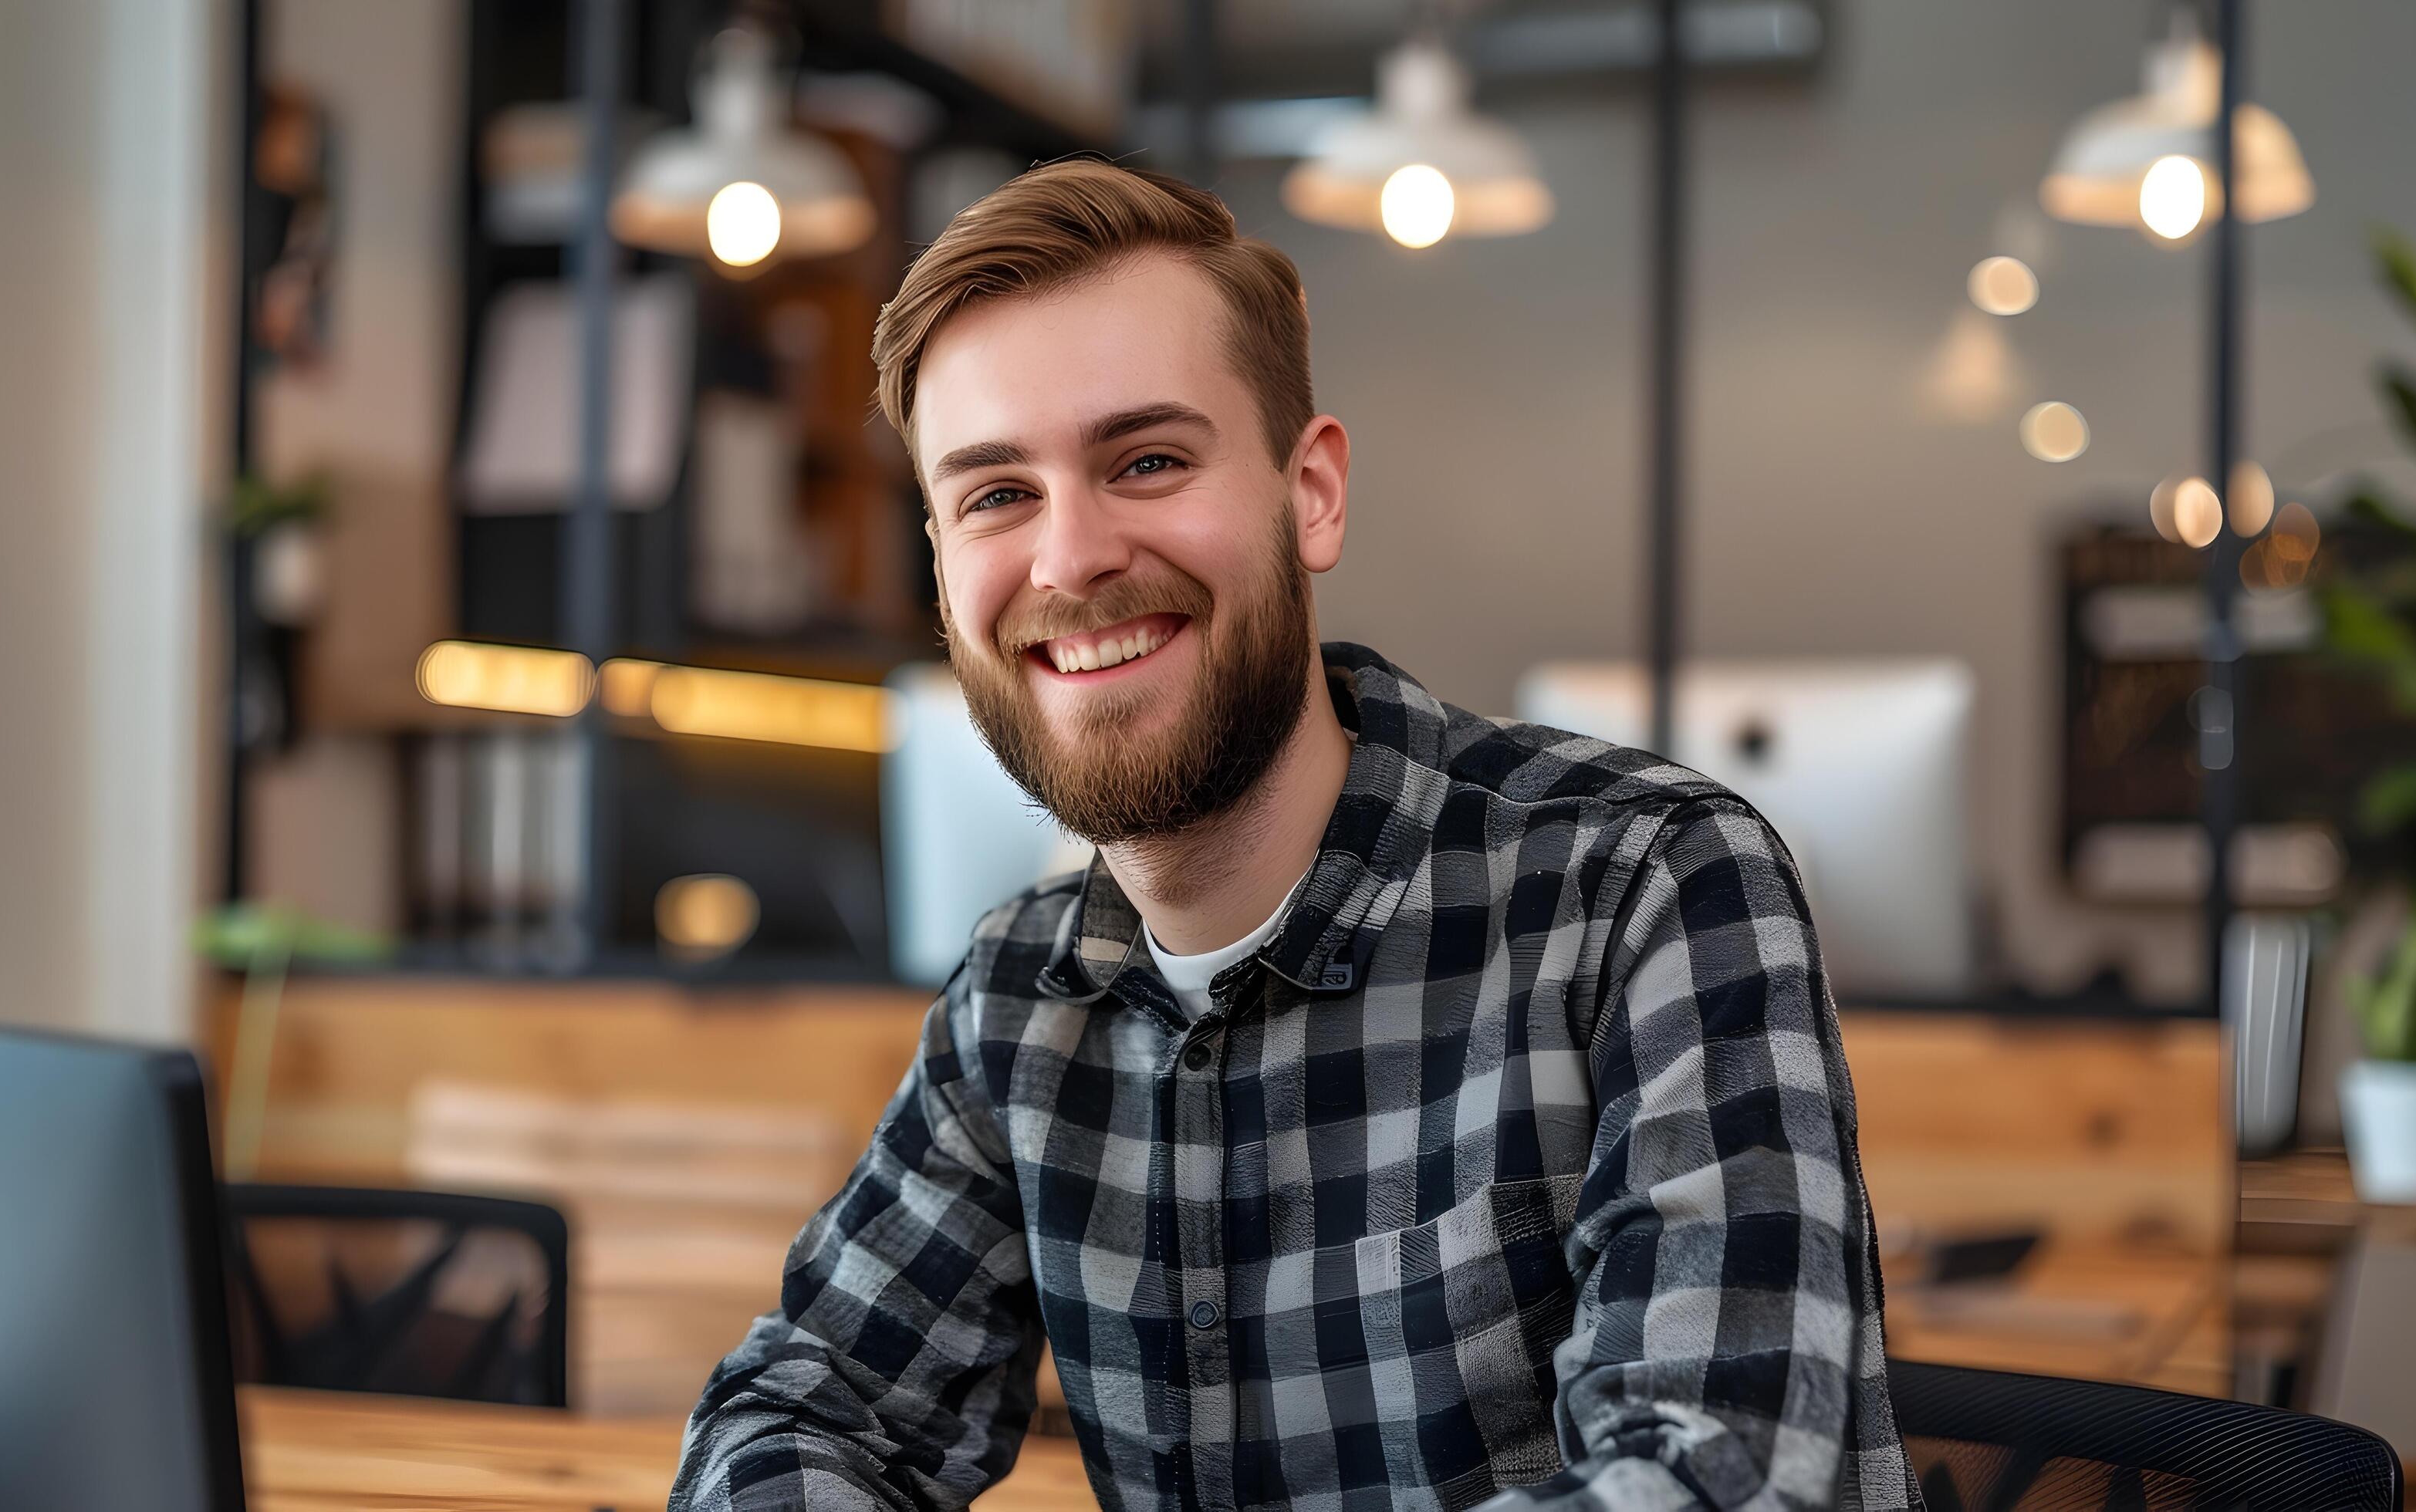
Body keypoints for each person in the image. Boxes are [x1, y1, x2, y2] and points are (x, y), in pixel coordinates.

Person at [672, 160, 1914, 1512]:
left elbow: (1711, 1482)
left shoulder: (1644, 885)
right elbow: (800, 1409)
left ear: (1308, 493)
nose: (1069, 558)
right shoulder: (1020, 1006)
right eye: (995, 495)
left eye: (1145, 460)